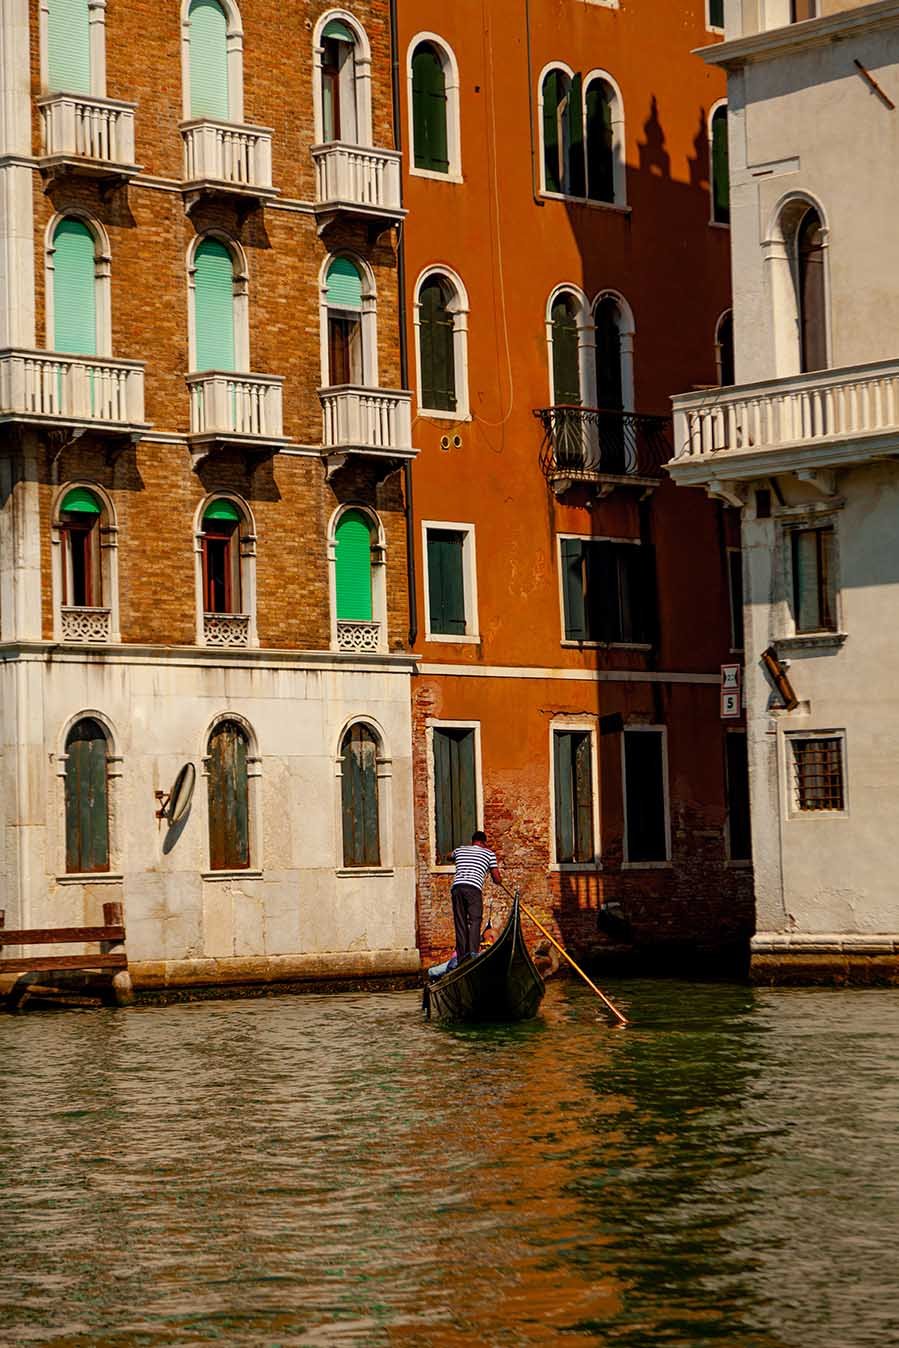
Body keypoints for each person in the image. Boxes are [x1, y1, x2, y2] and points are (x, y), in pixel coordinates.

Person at [450, 830, 501, 962]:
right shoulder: (489, 854)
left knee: (460, 923)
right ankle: (473, 954)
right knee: (474, 921)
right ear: (484, 842)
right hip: (473, 889)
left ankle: (462, 957)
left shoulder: (460, 850)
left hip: (457, 888)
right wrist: (495, 877)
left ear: (472, 842)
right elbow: (497, 878)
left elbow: (450, 856)